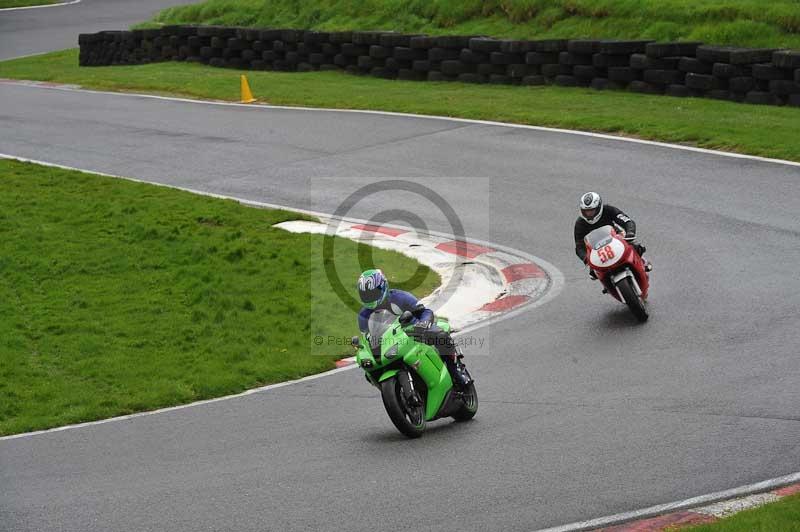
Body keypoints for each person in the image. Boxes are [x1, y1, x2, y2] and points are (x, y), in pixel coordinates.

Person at [356, 268, 470, 388]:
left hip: (414, 333)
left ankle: (456, 370)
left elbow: (425, 312)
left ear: (383, 287)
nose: (370, 298)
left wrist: (423, 323)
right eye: (366, 295)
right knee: (368, 371)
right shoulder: (363, 315)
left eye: (373, 293)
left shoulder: (399, 298)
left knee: (440, 335)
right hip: (389, 345)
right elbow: (367, 338)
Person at [573, 192, 652, 274]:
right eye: (586, 211)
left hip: (615, 237)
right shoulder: (580, 223)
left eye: (592, 210)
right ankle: (607, 285)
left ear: (599, 207)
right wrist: (587, 259)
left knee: (635, 246)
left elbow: (627, 221)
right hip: (597, 250)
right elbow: (579, 246)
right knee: (594, 273)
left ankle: (640, 260)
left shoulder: (608, 210)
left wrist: (630, 233)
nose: (589, 214)